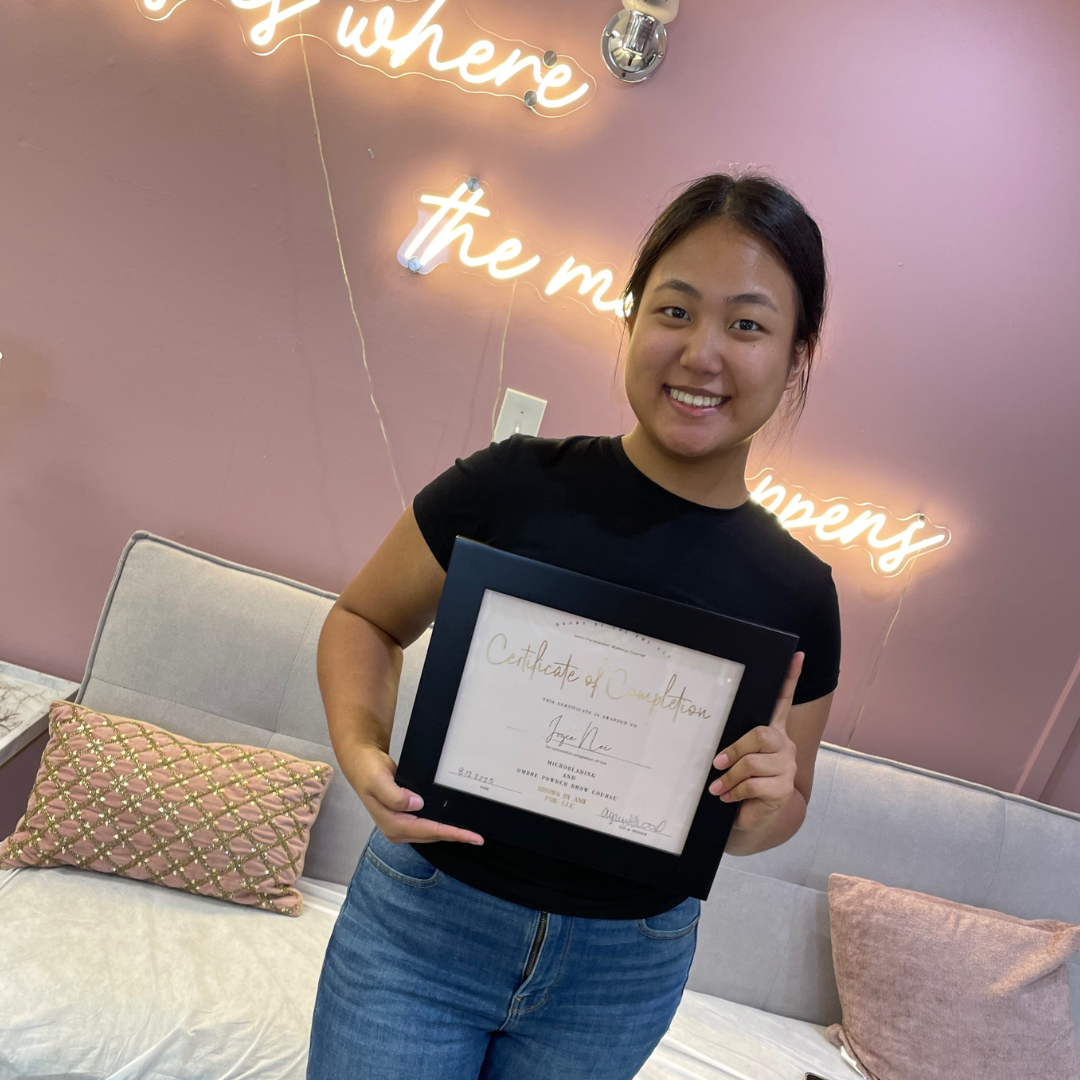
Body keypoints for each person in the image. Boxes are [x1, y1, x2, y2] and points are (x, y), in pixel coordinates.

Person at [306, 172, 841, 1080]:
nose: (702, 354)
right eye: (675, 310)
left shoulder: (799, 593)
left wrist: (762, 805)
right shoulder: (509, 484)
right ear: (632, 318)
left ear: (795, 355)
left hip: (623, 969)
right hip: (426, 921)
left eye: (747, 324)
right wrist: (365, 759)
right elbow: (363, 619)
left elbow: (780, 809)